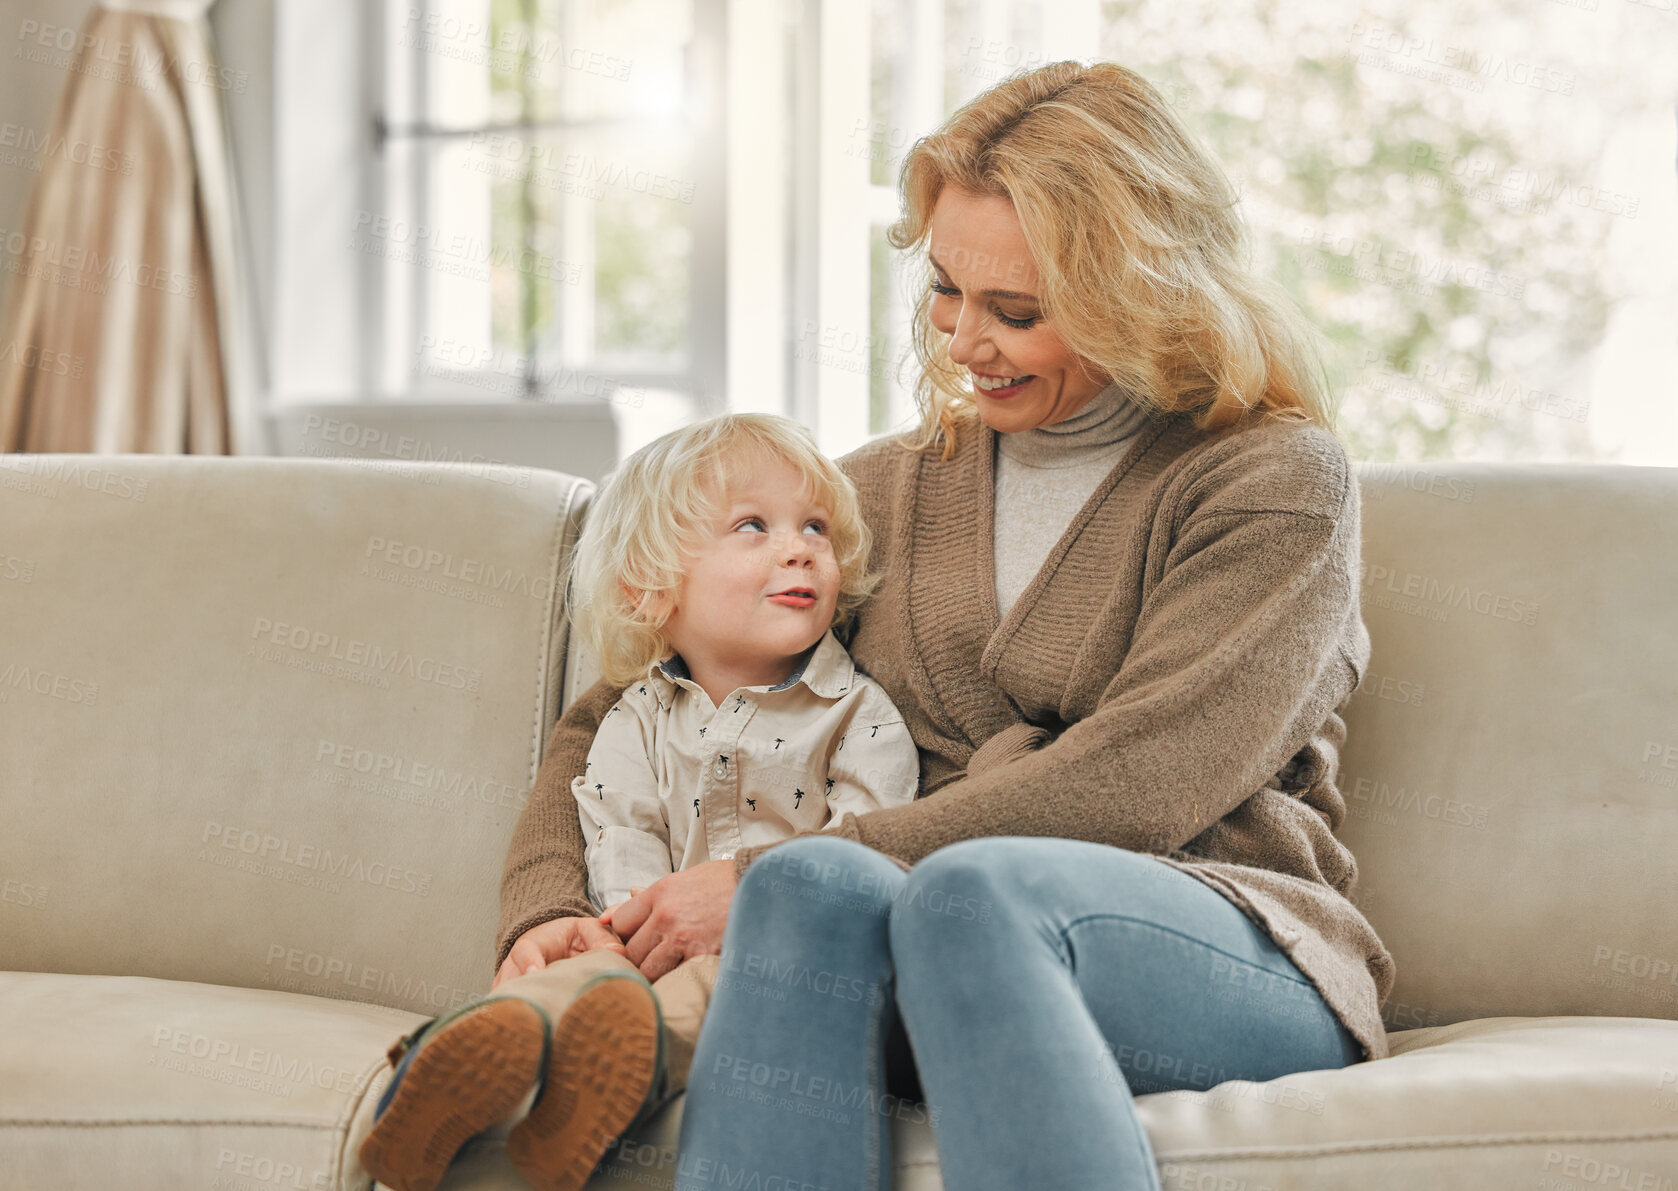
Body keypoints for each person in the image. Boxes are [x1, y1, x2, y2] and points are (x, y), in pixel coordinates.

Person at [499, 58, 1397, 1191]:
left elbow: (1142, 781)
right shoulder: (873, 493)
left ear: (1143, 291)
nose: (965, 341)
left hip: (1230, 944)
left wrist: (830, 854)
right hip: (916, 936)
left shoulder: (1272, 483)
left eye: (1015, 311)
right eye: (944, 292)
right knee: (803, 892)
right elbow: (618, 707)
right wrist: (545, 912)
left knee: (952, 892)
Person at [360, 413, 919, 1191]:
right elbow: (618, 832)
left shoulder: (862, 716)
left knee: (714, 983)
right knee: (574, 975)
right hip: (641, 944)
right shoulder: (635, 717)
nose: (800, 548)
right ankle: (459, 1058)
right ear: (652, 587)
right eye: (752, 526)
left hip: (781, 962)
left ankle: (617, 1068)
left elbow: (860, 853)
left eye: (816, 528)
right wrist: (624, 940)